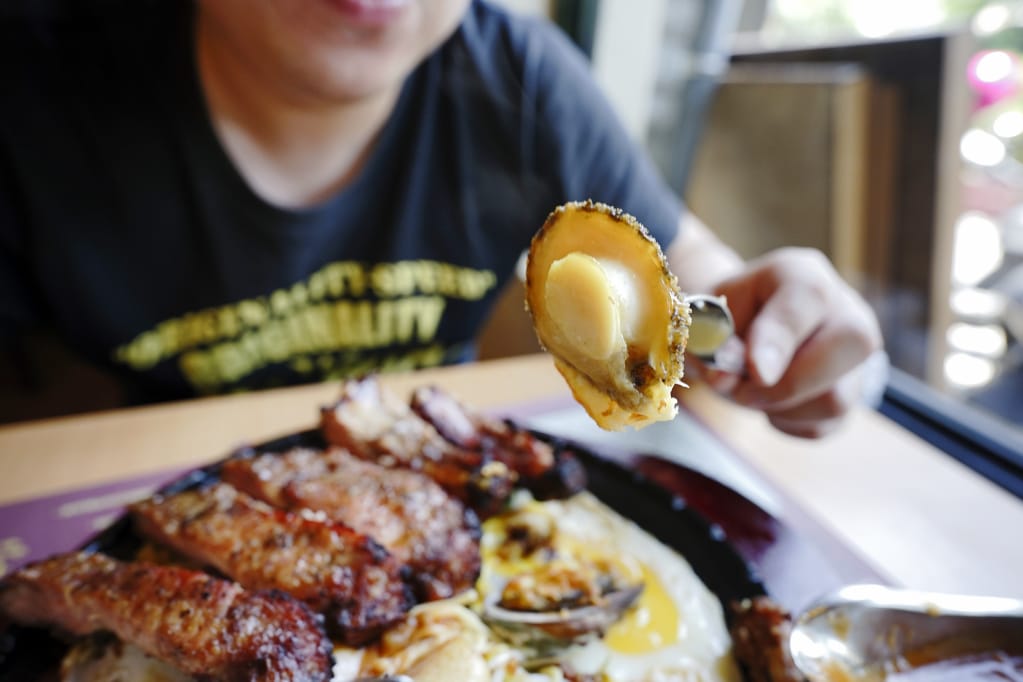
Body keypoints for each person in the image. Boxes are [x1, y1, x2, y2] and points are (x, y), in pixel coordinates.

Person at [0, 0, 882, 437]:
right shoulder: (36, 96)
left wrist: (812, 349)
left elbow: (706, 291)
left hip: (442, 475)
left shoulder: (521, 81)